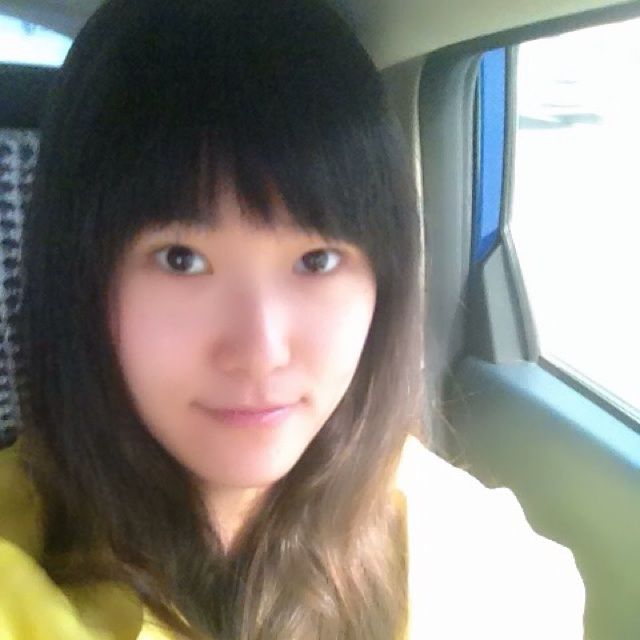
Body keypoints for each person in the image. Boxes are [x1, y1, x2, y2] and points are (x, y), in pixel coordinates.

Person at [0, 0, 584, 638]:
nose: (261, 349)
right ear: (80, 279)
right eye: (181, 259)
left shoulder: (493, 568)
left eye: (317, 260)